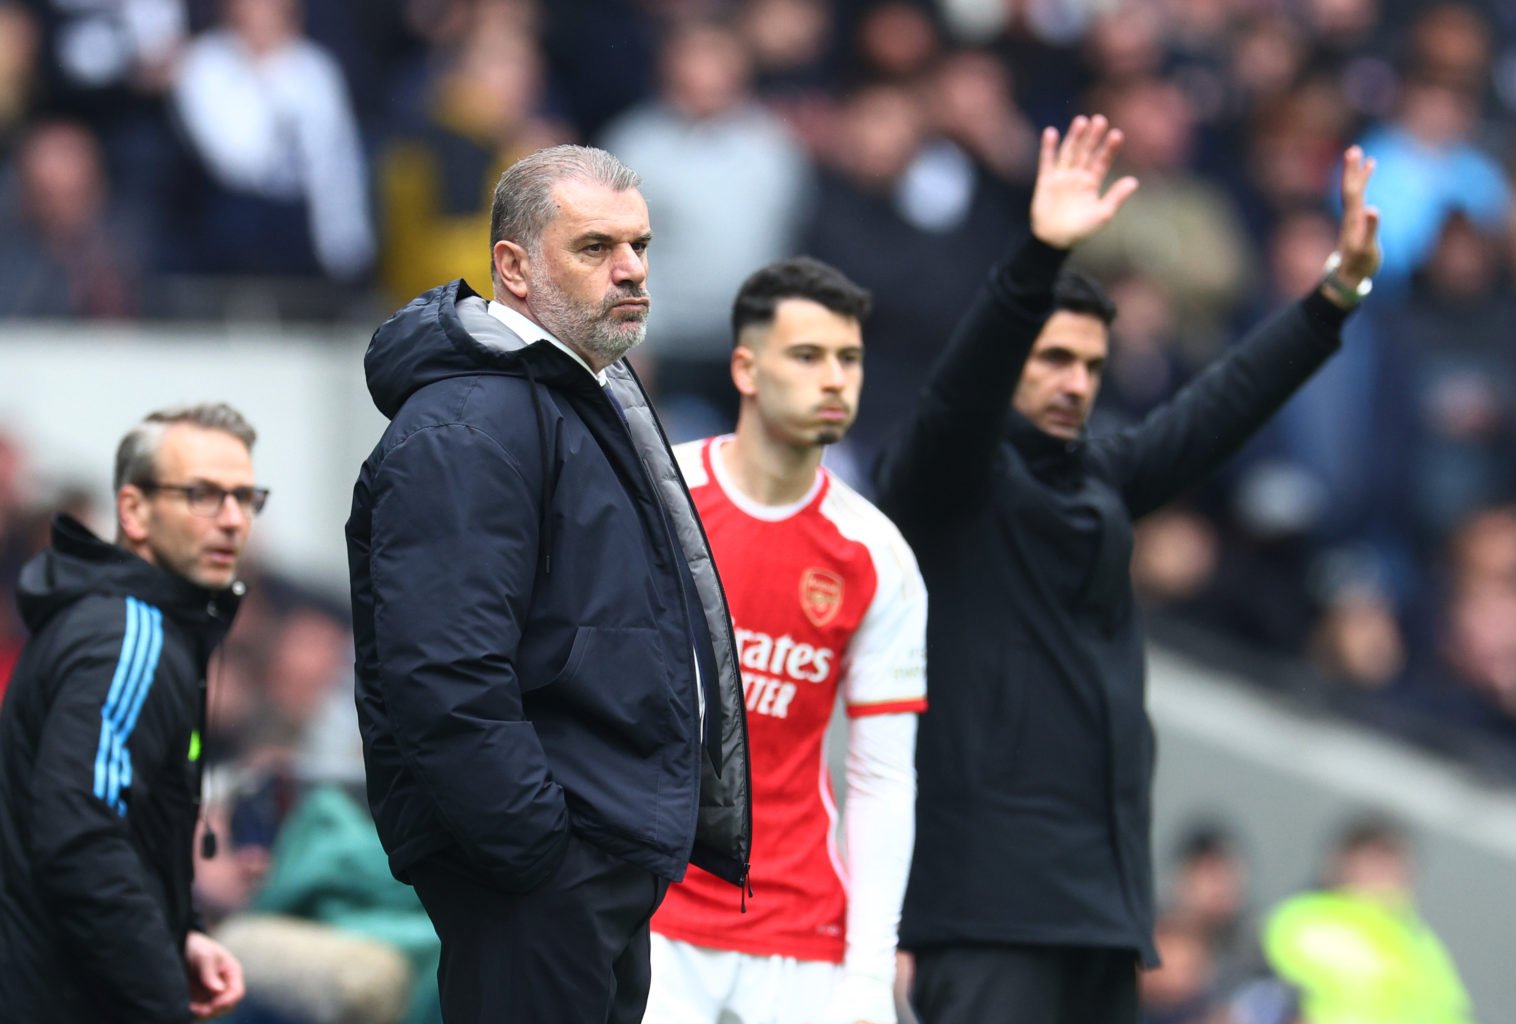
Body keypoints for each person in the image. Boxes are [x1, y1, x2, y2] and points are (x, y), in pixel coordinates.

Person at [875, 114, 1382, 1023]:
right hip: (988, 913)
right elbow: (958, 397)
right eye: (1054, 359)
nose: (1076, 382)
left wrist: (1332, 296)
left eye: (1092, 367)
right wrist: (1034, 260)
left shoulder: (1100, 478)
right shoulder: (945, 487)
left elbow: (1218, 407)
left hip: (1101, 914)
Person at [346, 144, 751, 1024]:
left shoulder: (578, 395)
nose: (632, 269)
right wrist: (536, 848)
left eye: (641, 246)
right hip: (541, 867)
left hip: (590, 856)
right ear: (514, 268)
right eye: (596, 247)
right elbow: (444, 674)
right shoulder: (467, 422)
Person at [647, 258, 928, 1024]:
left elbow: (882, 778)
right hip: (649, 914)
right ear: (746, 367)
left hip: (799, 931)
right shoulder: (657, 504)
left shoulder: (878, 556)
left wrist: (869, 976)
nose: (835, 379)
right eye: (808, 356)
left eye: (850, 359)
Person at [0, 403, 261, 1022]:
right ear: (134, 511)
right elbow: (81, 839)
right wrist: (162, 998)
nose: (231, 520)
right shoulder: (128, 638)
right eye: (202, 495)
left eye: (246, 498)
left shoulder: (131, 624)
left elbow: (127, 828)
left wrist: (181, 933)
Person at [1262, 815, 1474, 1024]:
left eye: (1394, 865)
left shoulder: (1422, 942)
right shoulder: (1305, 920)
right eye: (1376, 863)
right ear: (1343, 864)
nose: (1386, 878)